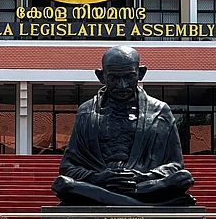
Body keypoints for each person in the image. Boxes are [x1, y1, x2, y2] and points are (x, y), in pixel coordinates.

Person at [51, 45, 195, 206]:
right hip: (101, 183)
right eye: (113, 78)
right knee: (63, 184)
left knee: (183, 178)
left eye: (129, 77)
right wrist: (98, 177)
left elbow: (175, 165)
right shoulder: (86, 112)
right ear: (101, 76)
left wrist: (142, 177)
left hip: (142, 184)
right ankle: (143, 205)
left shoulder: (160, 112)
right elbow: (67, 167)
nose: (122, 86)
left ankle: (114, 198)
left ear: (141, 73)